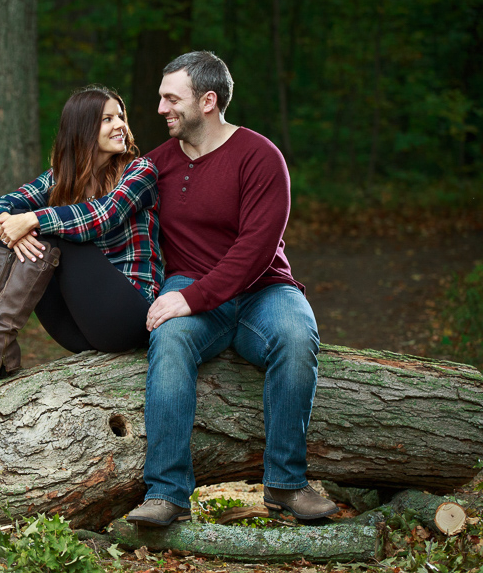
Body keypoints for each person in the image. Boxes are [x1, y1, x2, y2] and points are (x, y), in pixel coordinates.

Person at [126, 51, 339, 525]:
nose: (160, 108)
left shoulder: (260, 156)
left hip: (264, 288)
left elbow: (255, 249)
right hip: (192, 285)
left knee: (296, 334)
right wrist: (31, 218)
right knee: (171, 337)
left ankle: (286, 484)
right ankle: (166, 492)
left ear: (208, 101)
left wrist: (189, 298)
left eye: (170, 98)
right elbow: (99, 203)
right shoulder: (154, 165)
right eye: (160, 97)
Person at [0, 85, 163, 387]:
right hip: (78, 328)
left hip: (128, 316)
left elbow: (103, 216)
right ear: (82, 129)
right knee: (9, 230)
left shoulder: (140, 171)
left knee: (51, 231)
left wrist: (32, 219)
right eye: (107, 119)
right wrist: (11, 223)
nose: (121, 126)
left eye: (121, 116)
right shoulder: (60, 178)